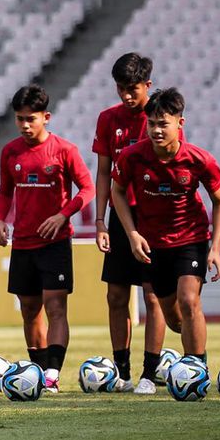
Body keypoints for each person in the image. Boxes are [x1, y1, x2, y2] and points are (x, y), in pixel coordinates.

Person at [111, 87, 220, 375]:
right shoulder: (132, 157)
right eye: (152, 124)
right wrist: (132, 234)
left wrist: (216, 249)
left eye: (163, 124)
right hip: (154, 245)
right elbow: (117, 191)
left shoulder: (199, 159)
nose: (156, 130)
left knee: (189, 301)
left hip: (191, 239)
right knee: (175, 319)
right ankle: (185, 360)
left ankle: (196, 372)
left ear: (180, 124)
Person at [0, 84, 94, 393]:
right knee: (28, 309)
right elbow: (6, 191)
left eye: (31, 119)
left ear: (46, 117)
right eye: (20, 119)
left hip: (55, 242)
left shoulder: (64, 150)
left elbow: (87, 189)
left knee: (55, 307)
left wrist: (63, 214)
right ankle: (35, 371)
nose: (25, 125)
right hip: (23, 243)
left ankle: (52, 373)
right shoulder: (10, 152)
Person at [92, 53, 174, 394]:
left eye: (133, 88)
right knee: (115, 295)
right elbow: (101, 172)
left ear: (148, 86)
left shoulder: (159, 119)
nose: (126, 95)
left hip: (153, 215)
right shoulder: (108, 119)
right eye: (121, 88)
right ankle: (123, 373)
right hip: (119, 215)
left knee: (153, 296)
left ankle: (148, 373)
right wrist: (99, 221)